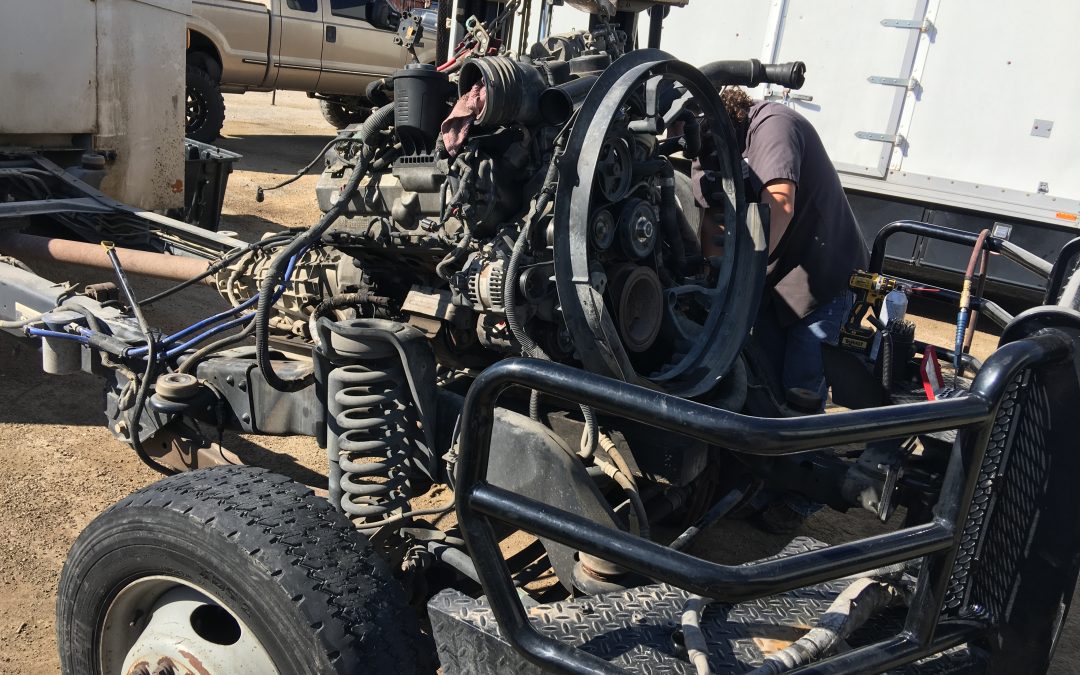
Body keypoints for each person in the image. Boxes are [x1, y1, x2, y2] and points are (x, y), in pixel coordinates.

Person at [714, 88, 870, 533]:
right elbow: (711, 222)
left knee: (802, 384)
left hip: (822, 272)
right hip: (778, 273)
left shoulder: (771, 125)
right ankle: (764, 475)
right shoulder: (710, 142)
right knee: (760, 372)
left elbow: (779, 202)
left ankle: (802, 496)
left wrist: (741, 276)